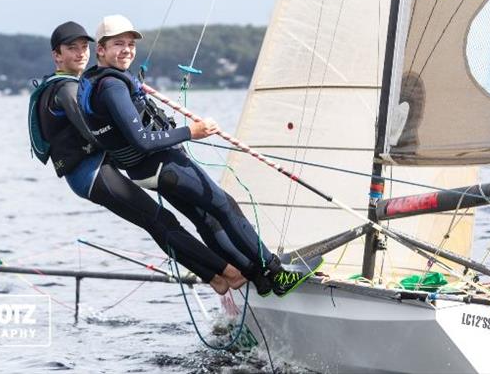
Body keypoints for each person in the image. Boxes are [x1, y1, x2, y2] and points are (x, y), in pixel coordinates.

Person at [77, 15, 321, 297]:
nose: (127, 50)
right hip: (161, 164)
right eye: (118, 44)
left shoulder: (98, 82)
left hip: (147, 171)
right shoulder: (112, 86)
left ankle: (258, 278)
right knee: (223, 207)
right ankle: (277, 274)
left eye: (130, 44)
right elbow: (143, 140)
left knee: (208, 220)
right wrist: (192, 131)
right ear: (101, 50)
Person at [28, 21, 246, 294]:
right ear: (56, 55)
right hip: (91, 174)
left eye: (84, 47)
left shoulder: (70, 84)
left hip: (94, 170)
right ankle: (229, 272)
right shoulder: (66, 89)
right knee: (159, 220)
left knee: (157, 222)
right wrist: (134, 124)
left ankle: (213, 277)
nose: (81, 53)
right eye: (72, 49)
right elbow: (98, 135)